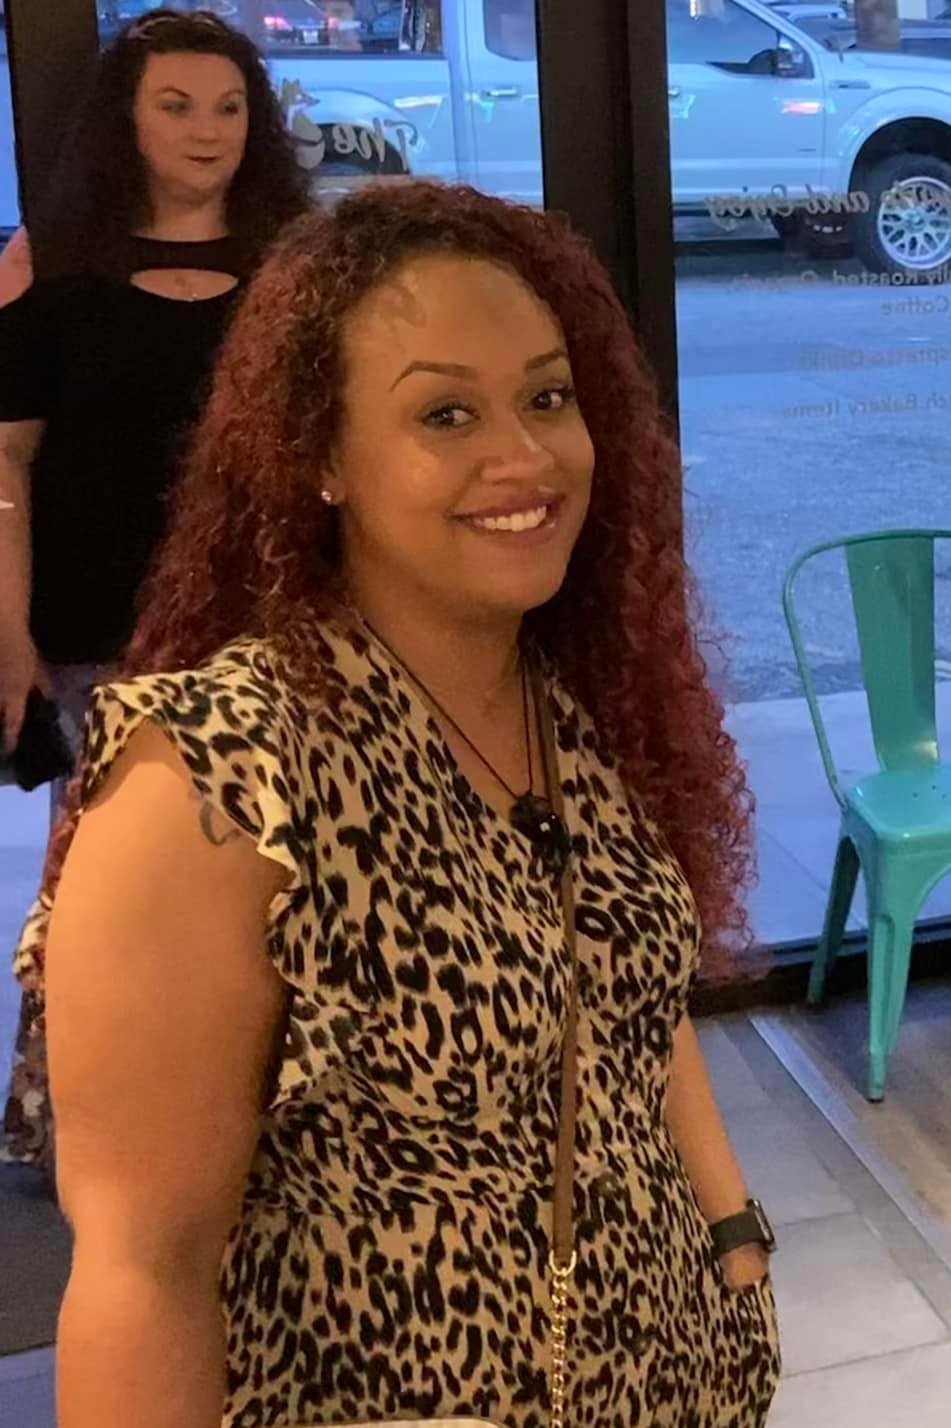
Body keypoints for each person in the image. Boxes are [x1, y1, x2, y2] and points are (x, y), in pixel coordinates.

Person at [17, 182, 779, 1427]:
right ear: (319, 457)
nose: (524, 457)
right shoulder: (218, 774)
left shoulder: (565, 698)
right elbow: (143, 1278)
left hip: (672, 1378)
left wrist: (732, 1236)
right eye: (445, 413)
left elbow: (617, 989)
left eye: (547, 397)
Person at [0, 9, 309, 789]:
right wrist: (8, 631)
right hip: (98, 631)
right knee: (115, 838)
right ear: (126, 120)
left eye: (229, 107)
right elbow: (5, 459)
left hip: (266, 620)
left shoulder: (298, 259)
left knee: (277, 833)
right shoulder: (50, 261)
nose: (207, 131)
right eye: (176, 106)